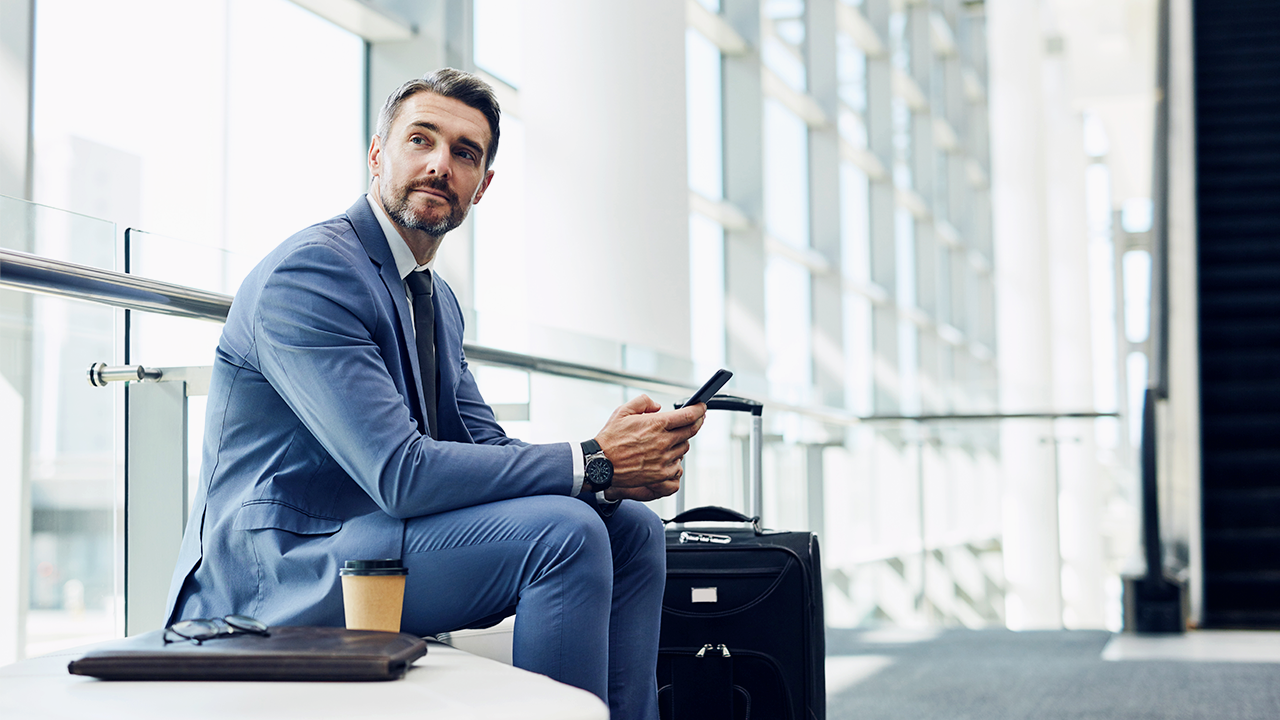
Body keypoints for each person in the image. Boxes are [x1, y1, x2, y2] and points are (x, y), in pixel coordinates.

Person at [164, 68, 706, 720]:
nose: (439, 164)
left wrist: (609, 473)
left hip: (371, 545)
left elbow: (485, 447)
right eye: (420, 140)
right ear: (377, 154)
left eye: (464, 153)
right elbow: (400, 473)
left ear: (483, 184)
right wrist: (592, 457)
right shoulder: (312, 274)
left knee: (633, 531)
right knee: (562, 536)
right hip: (278, 575)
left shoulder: (437, 300)